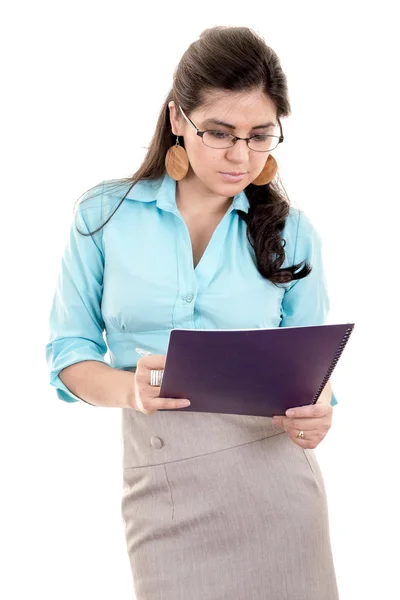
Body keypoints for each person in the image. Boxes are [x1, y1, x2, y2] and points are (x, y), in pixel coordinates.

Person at [45, 25, 340, 600]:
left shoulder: (292, 233)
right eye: (220, 133)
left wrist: (320, 410)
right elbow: (68, 354)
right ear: (178, 118)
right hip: (161, 484)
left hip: (274, 484)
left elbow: (315, 371)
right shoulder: (105, 215)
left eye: (260, 136)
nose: (241, 156)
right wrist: (131, 390)